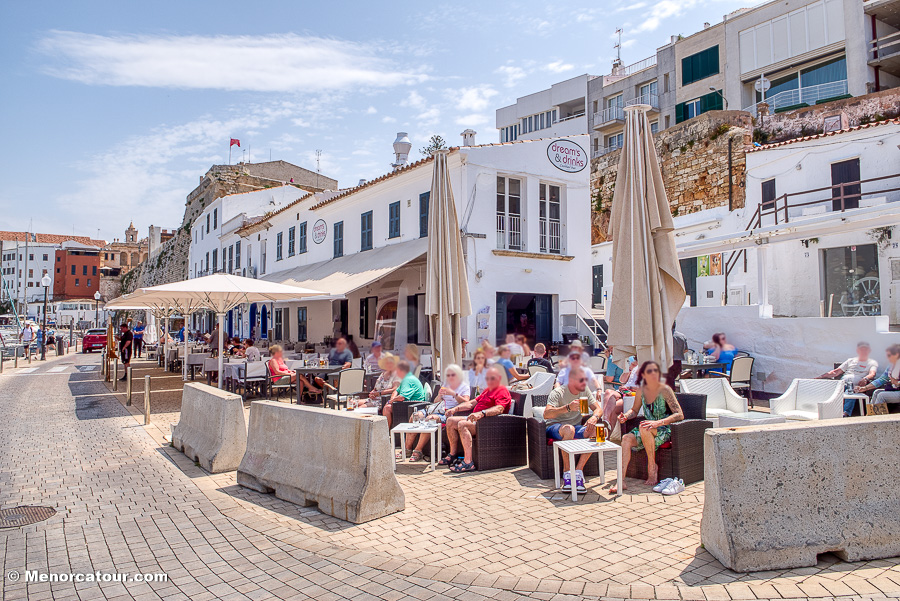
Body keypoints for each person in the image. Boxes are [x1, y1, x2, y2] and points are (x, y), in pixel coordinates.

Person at [612, 361, 684, 492]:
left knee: (644, 427)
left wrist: (658, 423)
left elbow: (679, 414)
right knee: (626, 439)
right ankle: (620, 480)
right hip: (647, 427)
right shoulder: (641, 390)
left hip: (664, 428)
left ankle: (652, 467)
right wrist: (626, 416)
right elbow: (634, 410)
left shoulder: (665, 390)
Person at [442, 366, 512, 473]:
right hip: (477, 419)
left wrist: (482, 413)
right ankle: (453, 454)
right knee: (450, 421)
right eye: (487, 377)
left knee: (463, 424)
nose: (489, 380)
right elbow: (471, 403)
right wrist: (455, 409)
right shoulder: (488, 390)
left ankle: (468, 462)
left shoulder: (501, 390)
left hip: (489, 422)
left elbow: (499, 408)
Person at [544, 366, 602, 492]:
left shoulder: (584, 390)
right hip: (555, 426)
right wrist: (568, 408)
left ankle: (578, 471)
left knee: (596, 431)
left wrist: (594, 417)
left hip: (576, 426)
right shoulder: (558, 392)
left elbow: (598, 409)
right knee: (569, 430)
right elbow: (546, 414)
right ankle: (567, 472)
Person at [406, 364, 471, 462]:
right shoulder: (445, 384)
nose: (450, 377)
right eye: (448, 375)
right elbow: (435, 401)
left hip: (448, 412)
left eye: (453, 375)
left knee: (430, 420)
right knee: (415, 416)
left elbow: (466, 402)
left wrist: (454, 394)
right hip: (436, 408)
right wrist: (439, 395)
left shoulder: (464, 387)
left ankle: (418, 451)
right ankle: (407, 449)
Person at [818, 341, 879, 417]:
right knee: (832, 388)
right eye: (861, 349)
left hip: (856, 384)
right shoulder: (850, 360)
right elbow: (836, 372)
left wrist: (865, 379)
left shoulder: (872, 362)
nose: (863, 351)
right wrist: (821, 377)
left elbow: (872, 374)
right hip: (843, 382)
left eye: (865, 349)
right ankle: (825, 410)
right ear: (858, 351)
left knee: (851, 390)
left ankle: (845, 412)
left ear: (869, 351)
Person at [855, 344, 900, 415]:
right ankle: (870, 414)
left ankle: (877, 418)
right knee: (876, 392)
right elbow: (882, 379)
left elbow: (897, 382)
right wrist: (865, 388)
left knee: (881, 395)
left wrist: (897, 383)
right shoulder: (892, 366)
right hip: (896, 390)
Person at [384, 360, 428, 430]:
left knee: (387, 408)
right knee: (388, 406)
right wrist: (392, 399)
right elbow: (396, 390)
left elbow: (401, 398)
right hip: (406, 404)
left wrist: (391, 401)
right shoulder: (407, 378)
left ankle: (386, 432)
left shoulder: (407, 380)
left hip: (411, 406)